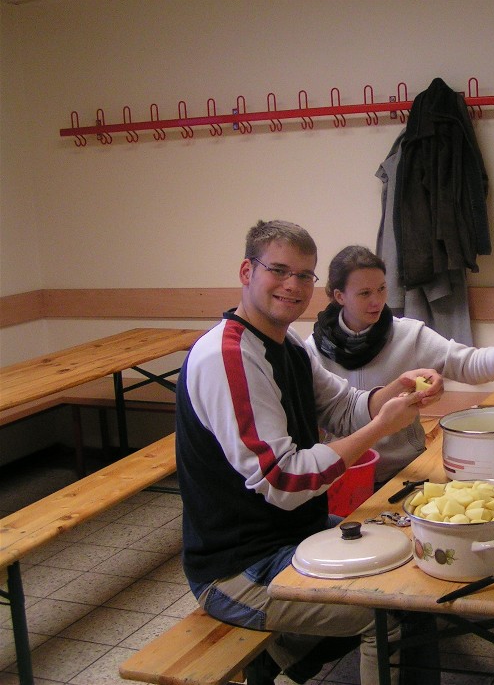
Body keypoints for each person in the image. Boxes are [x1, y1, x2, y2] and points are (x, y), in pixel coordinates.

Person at [175, 220, 444, 684]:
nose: (292, 285)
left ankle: (278, 656)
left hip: (297, 535)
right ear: (246, 271)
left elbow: (344, 407)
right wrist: (381, 427)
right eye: (278, 270)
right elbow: (285, 480)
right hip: (239, 569)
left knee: (414, 563)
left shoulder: (288, 345)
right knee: (394, 614)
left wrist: (393, 394)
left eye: (304, 275)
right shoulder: (228, 356)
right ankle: (279, 650)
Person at [306, 244, 494, 485]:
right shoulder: (312, 350)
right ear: (340, 296)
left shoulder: (409, 335)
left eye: (381, 289)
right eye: (365, 293)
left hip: (404, 471)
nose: (377, 301)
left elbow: (466, 364)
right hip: (343, 476)